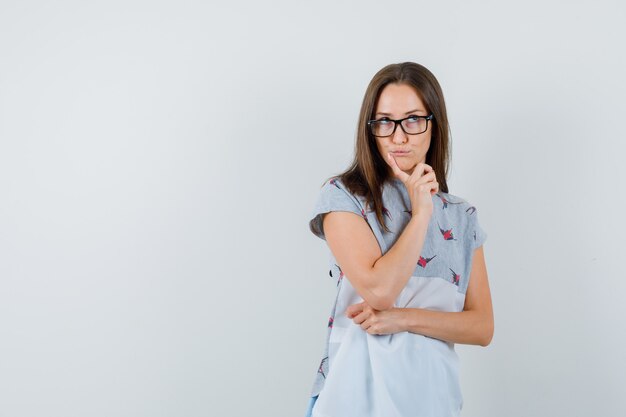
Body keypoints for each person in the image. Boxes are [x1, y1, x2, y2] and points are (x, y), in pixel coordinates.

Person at [303, 62, 494, 417]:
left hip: (432, 398)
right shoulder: (344, 197)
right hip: (352, 396)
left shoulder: (461, 216)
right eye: (385, 122)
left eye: (413, 119)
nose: (399, 136)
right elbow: (379, 291)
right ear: (370, 128)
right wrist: (421, 213)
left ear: (434, 125)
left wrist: (401, 319)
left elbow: (481, 326)